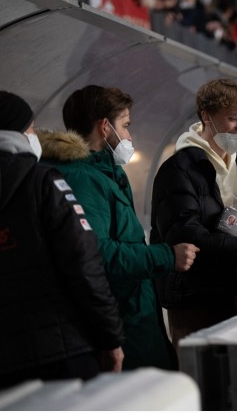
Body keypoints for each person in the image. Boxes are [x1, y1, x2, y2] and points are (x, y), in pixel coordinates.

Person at [37, 85, 199, 371]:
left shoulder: (102, 173)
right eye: (125, 126)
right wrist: (166, 256)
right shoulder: (82, 179)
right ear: (104, 127)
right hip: (121, 319)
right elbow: (96, 252)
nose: (129, 136)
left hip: (132, 312)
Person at [0, 90, 125, 391]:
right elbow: (84, 264)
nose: (34, 134)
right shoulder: (43, 182)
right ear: (14, 133)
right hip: (63, 350)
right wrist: (110, 337)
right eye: (30, 128)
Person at [150, 78, 237, 348]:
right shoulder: (180, 168)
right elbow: (185, 233)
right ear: (206, 117)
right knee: (209, 379)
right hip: (199, 299)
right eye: (232, 119)